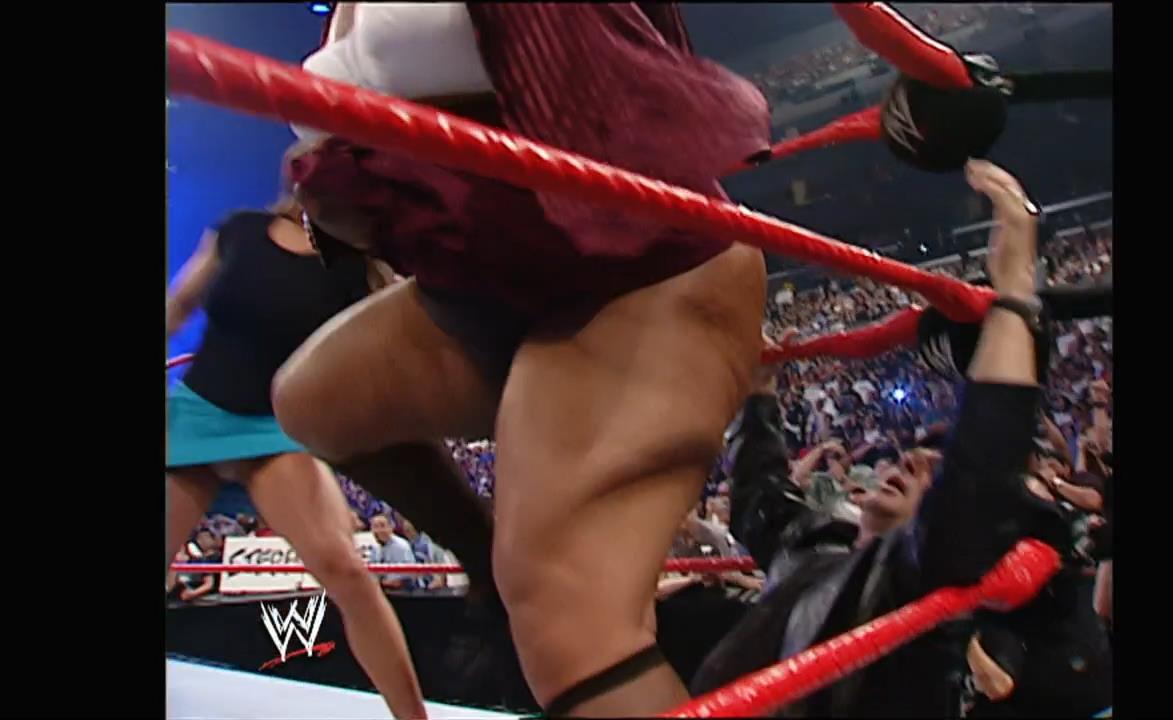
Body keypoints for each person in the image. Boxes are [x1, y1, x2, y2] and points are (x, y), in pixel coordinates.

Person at [272, 4, 771, 716]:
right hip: (482, 286)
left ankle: (531, 598)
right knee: (315, 400)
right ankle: (485, 564)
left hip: (637, 269)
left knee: (569, 621)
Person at [693, 160, 1109, 717]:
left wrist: (1014, 296)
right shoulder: (814, 544)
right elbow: (759, 495)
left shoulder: (915, 584)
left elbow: (979, 475)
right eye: (915, 456)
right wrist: (760, 394)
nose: (911, 460)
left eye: (933, 473)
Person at [165, 193, 426, 719]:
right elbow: (180, 304)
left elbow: (407, 339)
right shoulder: (238, 229)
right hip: (198, 410)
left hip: (277, 426)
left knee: (344, 570)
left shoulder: (359, 263)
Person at [369, 512, 418, 592]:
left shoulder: (401, 546)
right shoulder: (376, 547)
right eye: (375, 526)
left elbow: (402, 579)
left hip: (402, 590)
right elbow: (372, 572)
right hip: (382, 588)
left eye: (382, 525)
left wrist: (380, 582)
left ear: (390, 527)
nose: (379, 530)